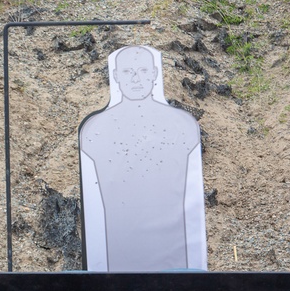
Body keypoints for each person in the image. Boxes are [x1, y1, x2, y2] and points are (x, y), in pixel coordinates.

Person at [78, 45, 206, 271]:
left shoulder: (183, 125)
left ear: (155, 74)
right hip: (118, 259)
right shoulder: (95, 128)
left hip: (174, 263)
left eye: (144, 71)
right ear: (116, 75)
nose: (136, 79)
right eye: (128, 72)